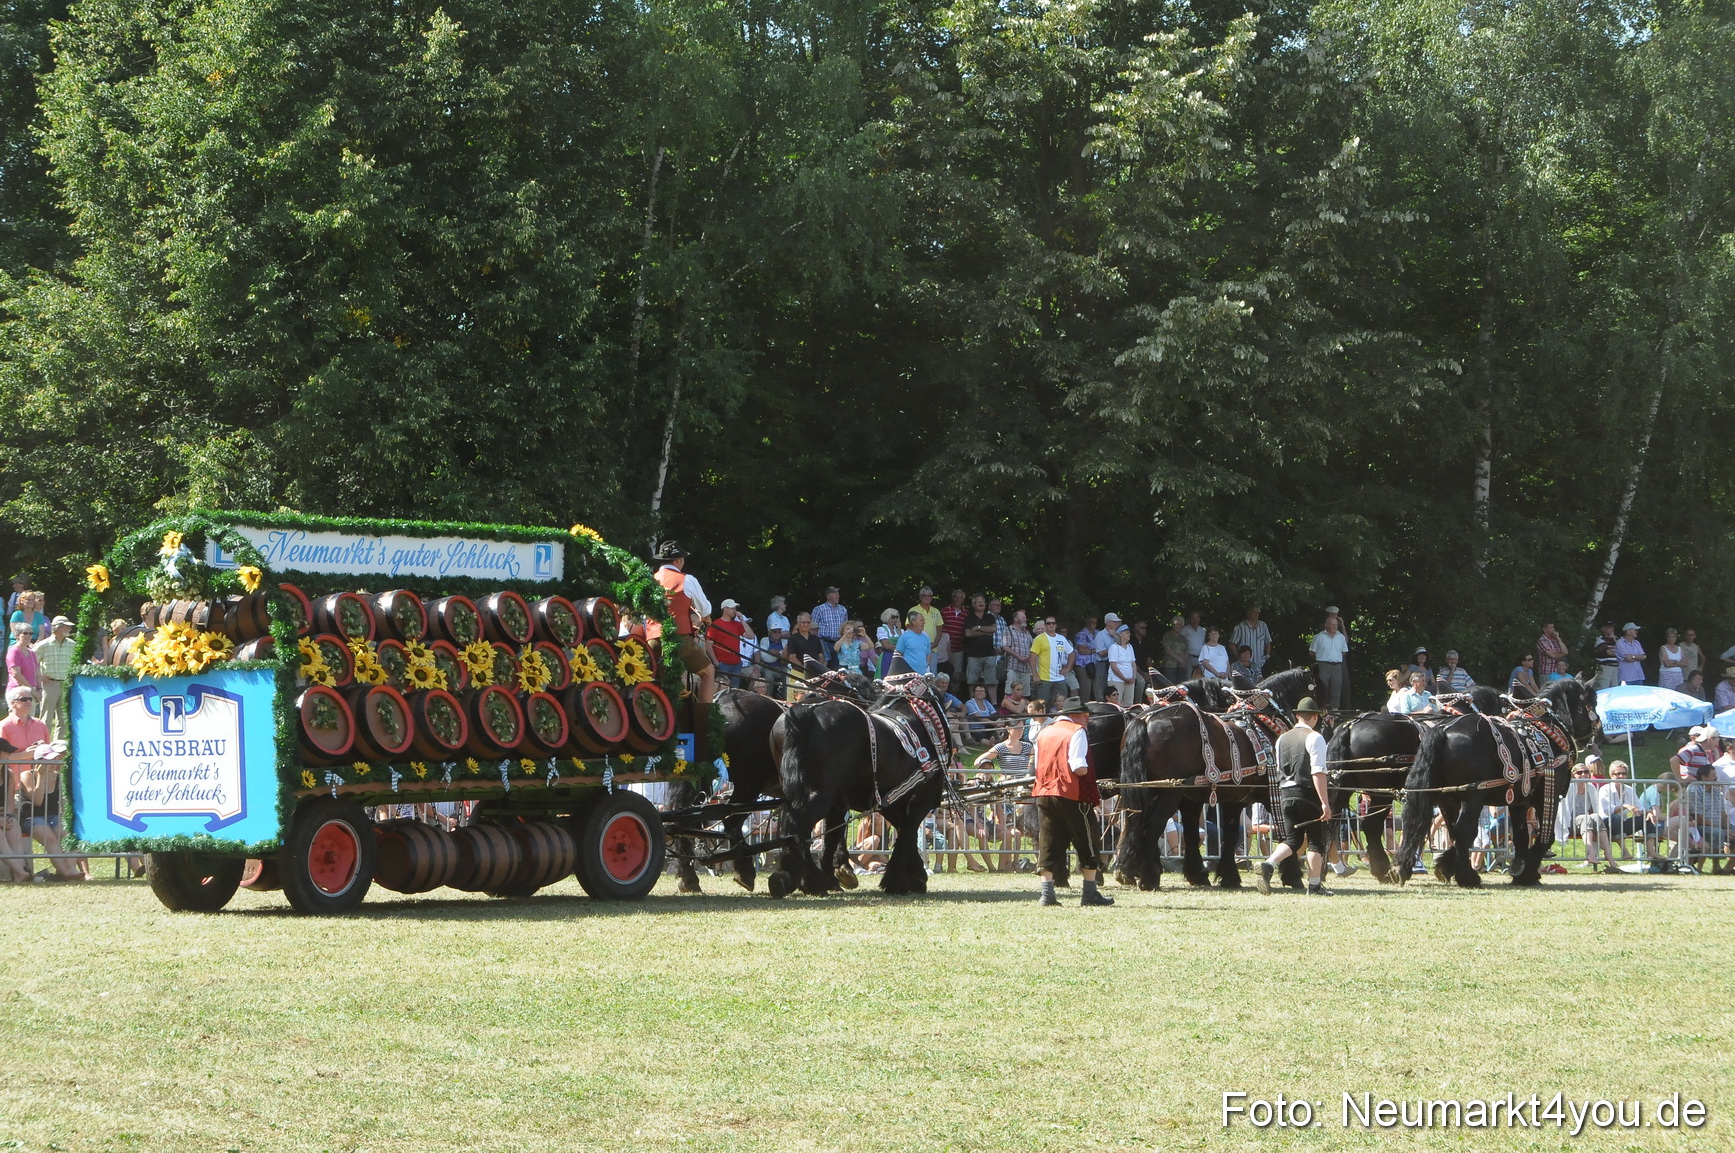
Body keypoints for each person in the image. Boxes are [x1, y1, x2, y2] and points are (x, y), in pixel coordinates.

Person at [1032, 697, 1112, 907]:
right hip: (1071, 793)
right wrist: (1088, 773)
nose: (1087, 721)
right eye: (1085, 716)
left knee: (1048, 841)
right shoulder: (1077, 732)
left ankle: (1047, 894)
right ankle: (1090, 892)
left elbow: (1038, 765)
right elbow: (1078, 766)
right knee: (1087, 839)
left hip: (1044, 792)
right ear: (1075, 715)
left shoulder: (1044, 732)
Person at [1256, 696, 1335, 896]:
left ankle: (1269, 864)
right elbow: (1318, 772)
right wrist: (1325, 803)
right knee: (1316, 841)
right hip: (1306, 792)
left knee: (1293, 839)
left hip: (1285, 793)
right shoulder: (1315, 737)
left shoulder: (1282, 738)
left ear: (1297, 716)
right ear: (1315, 717)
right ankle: (1315, 886)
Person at [0, 685, 79, 881]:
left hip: (27, 787)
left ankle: (27, 871)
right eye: (24, 698)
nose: (29, 702)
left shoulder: (40, 725)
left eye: (31, 699)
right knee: (23, 830)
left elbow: (47, 753)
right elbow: (5, 755)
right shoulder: (4, 726)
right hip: (20, 785)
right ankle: (21, 871)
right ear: (12, 703)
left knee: (64, 831)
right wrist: (30, 754)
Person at [651, 541, 715, 704]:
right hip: (678, 639)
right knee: (708, 673)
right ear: (678, 560)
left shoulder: (651, 581)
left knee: (664, 679)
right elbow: (705, 610)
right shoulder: (687, 580)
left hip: (652, 641)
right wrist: (706, 620)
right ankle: (705, 720)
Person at [33, 616, 75, 738]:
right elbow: (32, 662)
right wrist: (39, 676)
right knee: (46, 717)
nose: (70, 628)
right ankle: (42, 744)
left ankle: (59, 746)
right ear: (58, 627)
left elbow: (77, 663)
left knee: (63, 718)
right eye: (67, 626)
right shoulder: (44, 645)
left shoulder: (73, 645)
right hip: (49, 684)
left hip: (66, 684)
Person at [1598, 760, 1641, 866]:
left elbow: (1639, 807)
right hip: (1605, 825)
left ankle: (1651, 852)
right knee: (1615, 817)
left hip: (1622, 824)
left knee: (1646, 818)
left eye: (1624, 773)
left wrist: (1648, 812)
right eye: (1618, 774)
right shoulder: (1605, 789)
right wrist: (1624, 806)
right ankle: (1624, 851)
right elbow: (1607, 810)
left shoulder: (1630, 789)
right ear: (1611, 775)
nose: (1621, 776)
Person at [963, 594, 1000, 705]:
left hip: (989, 654)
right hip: (973, 655)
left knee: (991, 682)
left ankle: (994, 705)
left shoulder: (990, 617)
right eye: (978, 601)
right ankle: (973, 705)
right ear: (973, 604)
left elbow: (993, 629)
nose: (981, 603)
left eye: (983, 601)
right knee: (972, 682)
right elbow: (968, 633)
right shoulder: (969, 618)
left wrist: (978, 628)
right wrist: (986, 632)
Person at [1027, 615, 1072, 706]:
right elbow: (1032, 657)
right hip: (1044, 678)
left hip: (1059, 677)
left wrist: (1068, 667)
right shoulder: (1039, 639)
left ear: (1056, 625)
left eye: (1053, 623)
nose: (1051, 625)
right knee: (1043, 704)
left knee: (1062, 703)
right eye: (1048, 623)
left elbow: (1071, 652)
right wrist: (1035, 675)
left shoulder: (1061, 638)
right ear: (1045, 625)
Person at [1309, 615, 1349, 710]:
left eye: (1336, 625)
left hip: (1337, 666)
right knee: (1322, 686)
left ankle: (1335, 710)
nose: (1335, 627)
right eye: (1332, 625)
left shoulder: (1341, 637)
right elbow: (1311, 652)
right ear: (1326, 625)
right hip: (1323, 665)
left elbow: (1344, 652)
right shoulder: (1319, 637)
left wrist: (1335, 658)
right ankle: (1321, 708)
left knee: (1336, 687)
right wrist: (1322, 658)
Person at [706, 600, 750, 687]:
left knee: (735, 691)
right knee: (721, 689)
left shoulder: (737, 624)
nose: (735, 610)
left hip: (736, 664)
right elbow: (708, 645)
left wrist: (742, 620)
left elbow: (750, 636)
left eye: (735, 608)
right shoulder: (715, 624)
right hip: (722, 663)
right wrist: (716, 662)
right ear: (725, 609)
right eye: (732, 608)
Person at [783, 611, 827, 693]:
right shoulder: (793, 639)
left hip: (815, 676)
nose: (806, 624)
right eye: (803, 622)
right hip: (798, 674)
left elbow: (821, 655)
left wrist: (818, 668)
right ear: (798, 623)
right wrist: (806, 670)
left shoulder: (816, 639)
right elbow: (792, 658)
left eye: (808, 622)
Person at [1231, 606, 1272, 681]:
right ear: (1248, 613)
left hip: (1260, 663)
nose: (1256, 614)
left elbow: (1268, 642)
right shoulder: (1240, 627)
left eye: (1258, 612)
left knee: (1262, 684)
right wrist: (1238, 657)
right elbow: (1232, 643)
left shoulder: (1263, 625)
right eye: (1254, 612)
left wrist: (1267, 656)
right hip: (1244, 664)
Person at [1001, 609, 1034, 699]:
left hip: (1026, 668)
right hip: (1013, 668)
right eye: (1023, 617)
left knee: (1025, 695)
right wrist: (1019, 656)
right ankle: (1006, 712)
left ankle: (1023, 712)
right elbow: (1005, 647)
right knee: (1009, 693)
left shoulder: (1026, 632)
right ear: (1016, 619)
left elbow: (1033, 646)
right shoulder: (1008, 630)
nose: (1025, 619)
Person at [811, 587, 847, 667]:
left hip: (839, 643)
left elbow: (846, 627)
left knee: (838, 668)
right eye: (835, 594)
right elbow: (812, 627)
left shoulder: (843, 609)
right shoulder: (819, 609)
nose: (838, 596)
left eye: (838, 594)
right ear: (828, 596)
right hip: (824, 642)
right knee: (823, 667)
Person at [939, 589, 969, 685]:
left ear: (963, 599)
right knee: (943, 671)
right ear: (952, 598)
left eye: (960, 597)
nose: (958, 599)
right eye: (956, 597)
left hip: (959, 647)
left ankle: (955, 694)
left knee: (956, 674)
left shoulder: (967, 613)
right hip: (944, 647)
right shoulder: (944, 610)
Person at [892, 610, 933, 675]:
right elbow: (898, 655)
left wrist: (926, 663)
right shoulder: (905, 637)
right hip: (908, 675)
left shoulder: (926, 637)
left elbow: (928, 654)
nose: (924, 622)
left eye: (924, 620)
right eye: (921, 620)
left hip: (922, 675)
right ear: (913, 622)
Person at [1106, 623, 1137, 706]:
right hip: (1117, 680)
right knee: (1116, 703)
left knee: (1128, 704)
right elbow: (1113, 666)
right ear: (1120, 634)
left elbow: (1133, 663)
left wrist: (1133, 676)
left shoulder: (1130, 647)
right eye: (1127, 632)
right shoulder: (1114, 647)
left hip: (1129, 680)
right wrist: (1124, 678)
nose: (1129, 634)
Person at [1073, 616, 1100, 703]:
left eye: (1095, 622)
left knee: (1098, 687)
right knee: (1086, 687)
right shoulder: (1081, 634)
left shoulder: (1098, 633)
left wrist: (1090, 649)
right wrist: (1096, 650)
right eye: (1091, 622)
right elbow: (1082, 650)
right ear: (1087, 623)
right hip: (1082, 664)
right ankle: (1084, 708)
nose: (1093, 624)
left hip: (1096, 663)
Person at [7, 622, 39, 692]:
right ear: (17, 635)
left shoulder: (32, 653)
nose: (28, 635)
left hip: (31, 691)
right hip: (18, 691)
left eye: (31, 633)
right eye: (25, 633)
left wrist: (39, 689)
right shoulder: (14, 651)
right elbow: (16, 674)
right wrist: (32, 691)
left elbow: (36, 673)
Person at [1160, 616, 1189, 685]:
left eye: (1180, 625)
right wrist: (1179, 659)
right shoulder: (1168, 635)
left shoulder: (1183, 638)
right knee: (1170, 686)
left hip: (1181, 666)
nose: (1178, 626)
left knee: (1182, 686)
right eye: (1176, 624)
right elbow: (1167, 649)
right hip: (1170, 665)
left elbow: (1187, 650)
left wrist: (1183, 661)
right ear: (1173, 625)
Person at [875, 608, 903, 677]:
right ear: (887, 617)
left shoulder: (900, 631)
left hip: (899, 657)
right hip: (887, 656)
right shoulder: (881, 629)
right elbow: (887, 646)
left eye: (897, 617)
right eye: (893, 617)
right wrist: (901, 648)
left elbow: (904, 643)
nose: (895, 619)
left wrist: (899, 631)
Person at [1592, 623, 1620, 689]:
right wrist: (1620, 654)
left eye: (1613, 627)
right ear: (1603, 629)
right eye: (1609, 627)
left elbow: (1624, 650)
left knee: (1615, 688)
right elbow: (1609, 652)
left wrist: (1614, 639)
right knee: (1603, 687)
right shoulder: (1600, 640)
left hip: (1615, 667)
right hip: (1605, 667)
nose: (1612, 629)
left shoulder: (1616, 640)